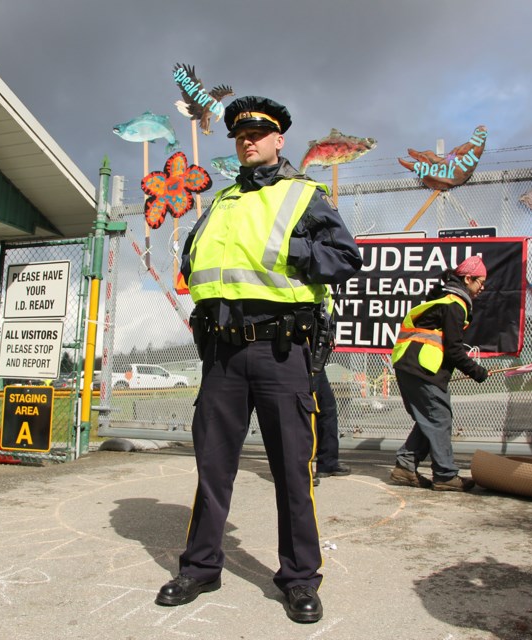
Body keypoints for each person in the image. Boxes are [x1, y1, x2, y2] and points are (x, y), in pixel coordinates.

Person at [156, 96, 361, 623]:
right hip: (223, 353)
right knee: (213, 467)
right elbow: (196, 265)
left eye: (258, 134)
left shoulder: (305, 195)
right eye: (241, 135)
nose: (248, 141)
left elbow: (344, 258)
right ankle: (200, 567)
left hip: (280, 350)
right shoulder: (221, 201)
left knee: (293, 470)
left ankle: (299, 578)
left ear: (278, 140)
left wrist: (297, 253)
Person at [388, 256, 490, 491]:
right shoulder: (454, 305)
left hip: (414, 367)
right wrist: (477, 372)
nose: (482, 287)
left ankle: (405, 467)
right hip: (421, 369)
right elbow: (454, 350)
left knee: (430, 419)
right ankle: (445, 475)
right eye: (480, 282)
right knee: (439, 418)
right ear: (468, 279)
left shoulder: (448, 301)